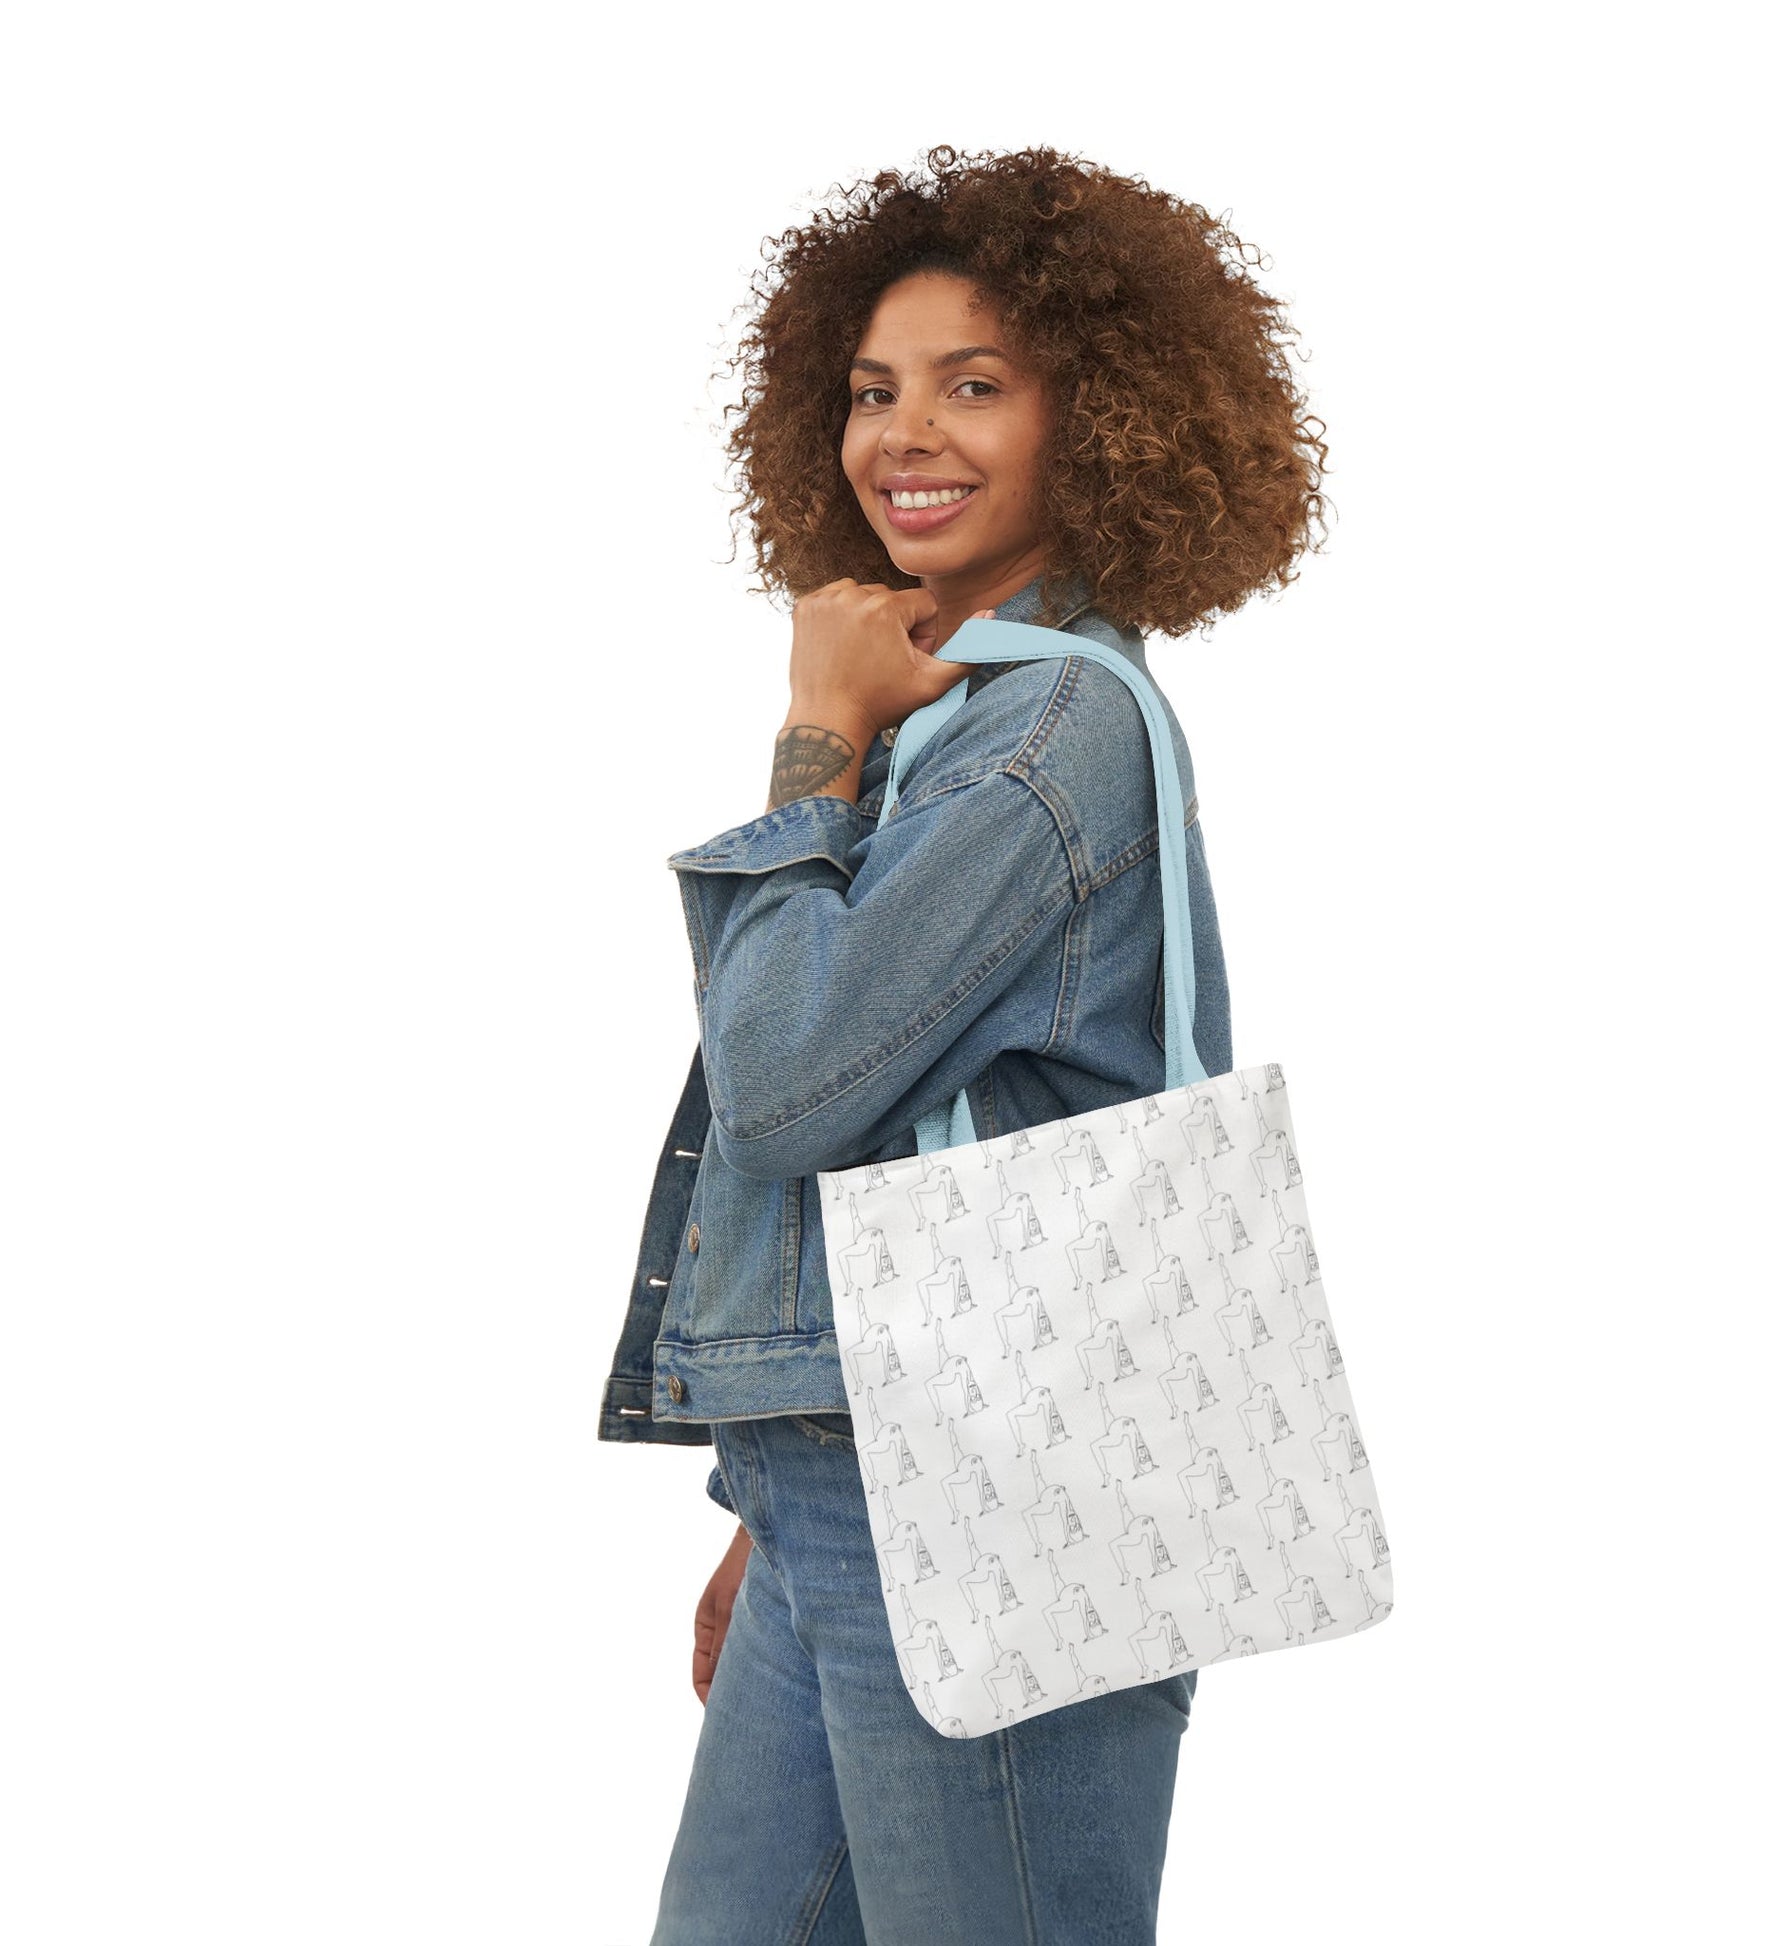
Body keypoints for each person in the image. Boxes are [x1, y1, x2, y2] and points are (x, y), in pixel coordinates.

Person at [597, 144, 1330, 1945]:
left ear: (1105, 419)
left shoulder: (1047, 730)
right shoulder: (965, 713)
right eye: (870, 391)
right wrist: (772, 1496)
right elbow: (890, 1152)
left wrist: (813, 738)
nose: (901, 435)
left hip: (995, 1489)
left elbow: (789, 1087)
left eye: (973, 385)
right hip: (851, 1472)